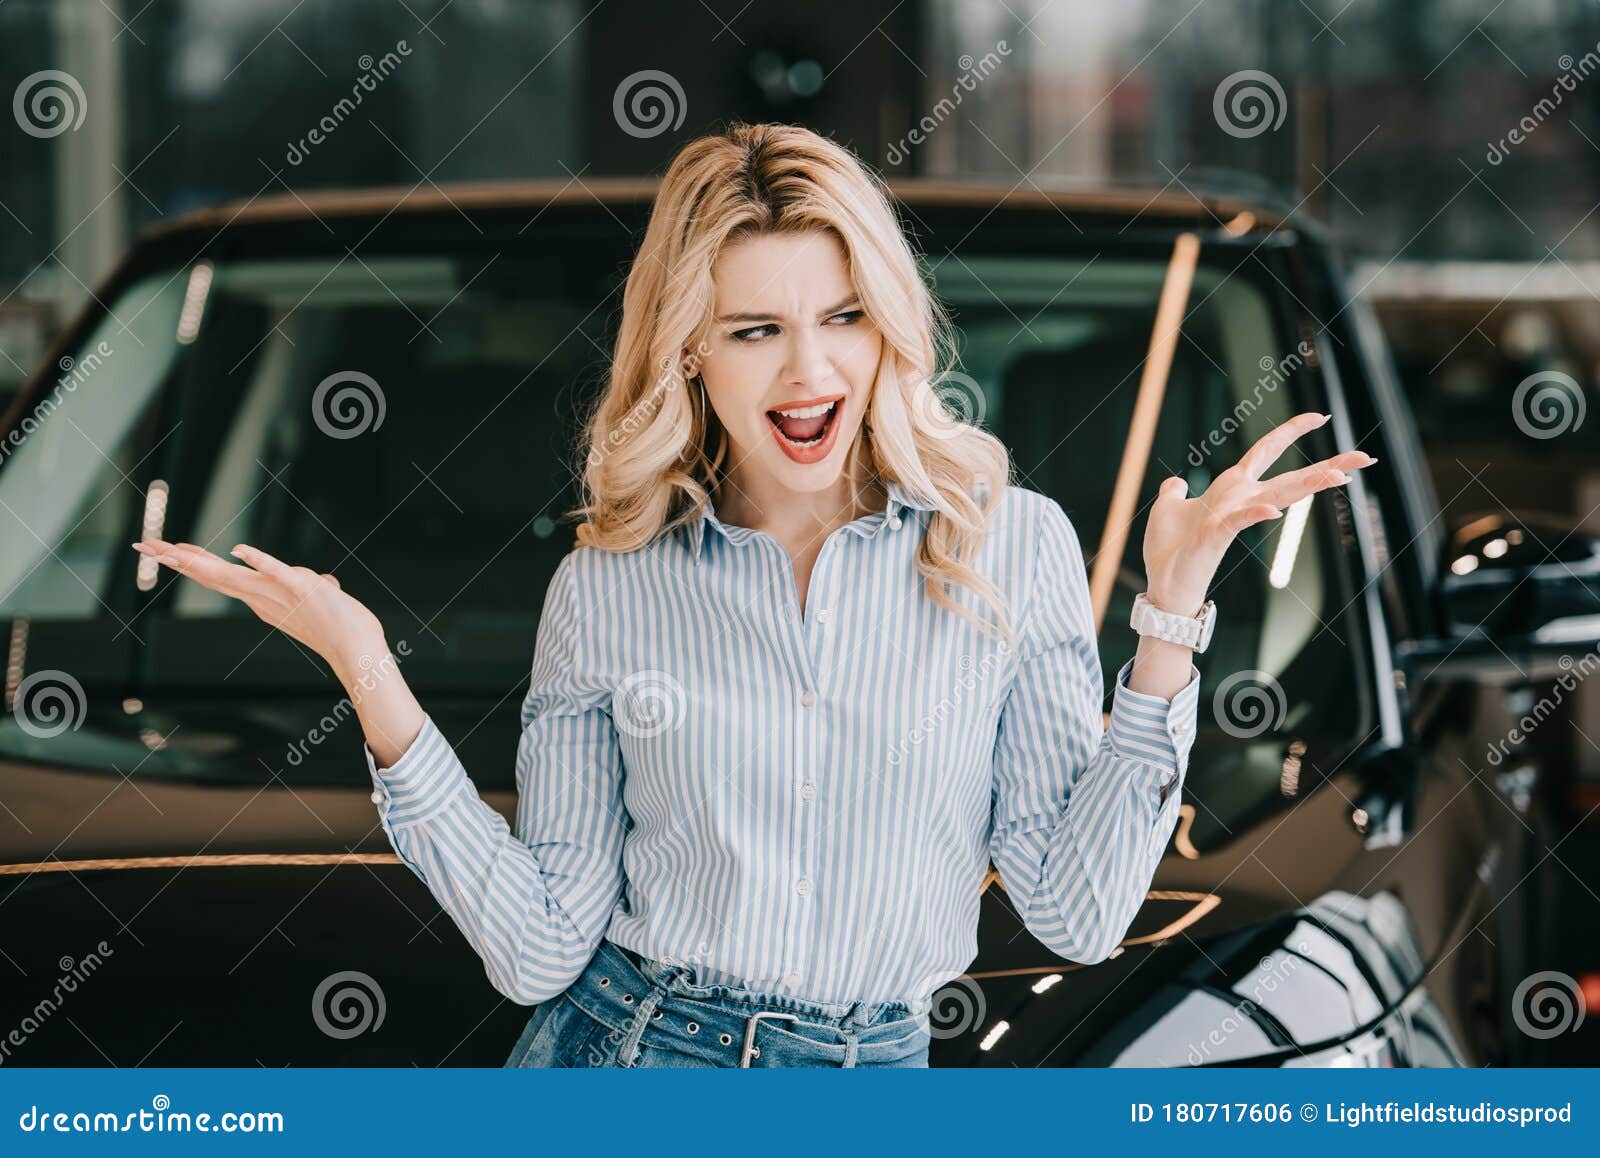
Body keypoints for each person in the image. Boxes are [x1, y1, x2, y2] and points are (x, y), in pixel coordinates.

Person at [131, 122, 1374, 1068]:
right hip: (625, 1061)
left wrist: (1166, 625)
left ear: (888, 324)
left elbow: (1079, 911)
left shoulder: (1010, 547)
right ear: (686, 351)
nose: (807, 368)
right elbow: (537, 951)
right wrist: (371, 673)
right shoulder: (608, 585)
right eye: (750, 330)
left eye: (842, 315)